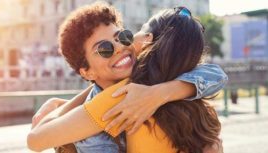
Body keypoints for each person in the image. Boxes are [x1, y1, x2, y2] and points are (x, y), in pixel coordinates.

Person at [28, 2, 226, 153]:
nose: (121, 47)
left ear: (148, 40)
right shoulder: (182, 91)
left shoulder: (119, 97)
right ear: (86, 71)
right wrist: (161, 92)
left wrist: (158, 93)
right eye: (104, 49)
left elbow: (35, 139)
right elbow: (216, 75)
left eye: (123, 36)